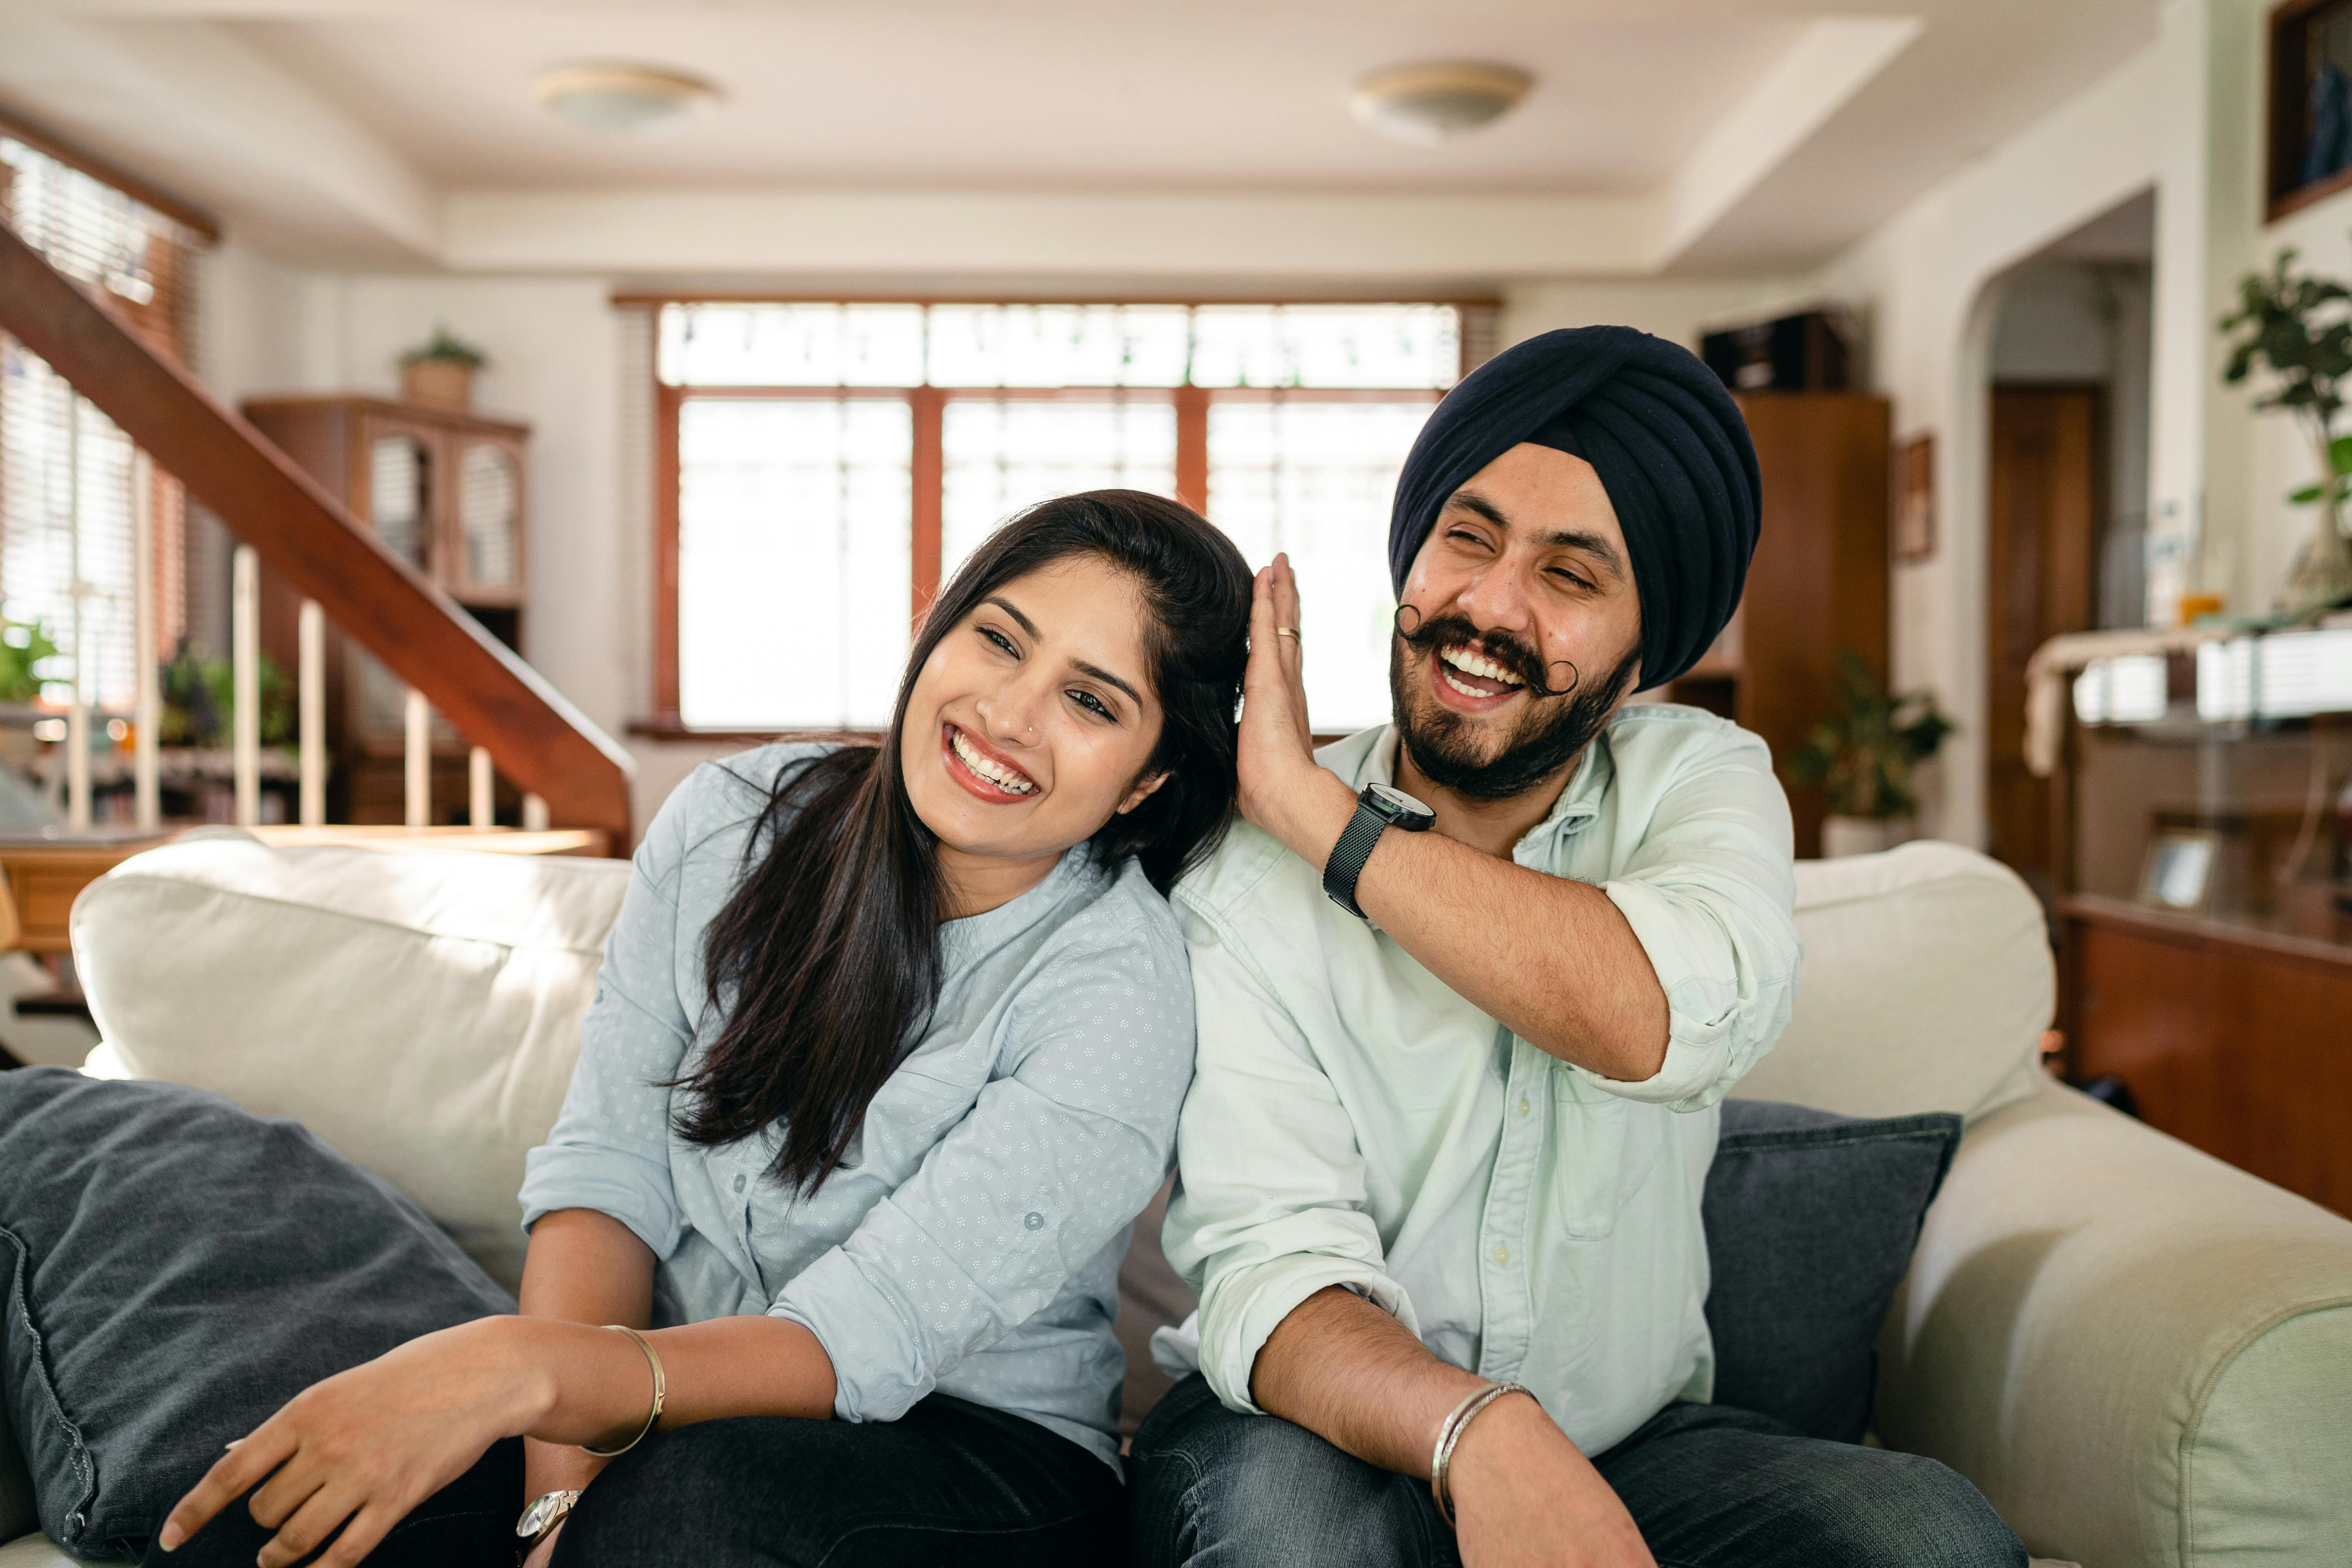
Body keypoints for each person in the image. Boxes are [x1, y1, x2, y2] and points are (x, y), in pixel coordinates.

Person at [158, 490, 1252, 1568]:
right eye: (998, 640)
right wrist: (553, 1500)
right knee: (278, 1507)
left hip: (971, 1447)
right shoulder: (739, 816)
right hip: (643, 1389)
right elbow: (608, 1173)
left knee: (685, 1517)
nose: (1009, 714)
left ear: (1146, 782)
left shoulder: (1122, 989)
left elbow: (862, 1333)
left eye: (1091, 702)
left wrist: (527, 1368)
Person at [1129, 327, 2025, 1568]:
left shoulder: (1702, 780)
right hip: (1312, 1431)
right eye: (1470, 538)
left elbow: (1658, 1014)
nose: (1490, 607)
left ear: (1645, 659)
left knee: (1924, 1534)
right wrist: (1475, 1429)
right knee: (1287, 1536)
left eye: (1572, 574)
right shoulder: (1243, 877)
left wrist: (1322, 821)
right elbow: (1272, 1272)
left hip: (1634, 1438)